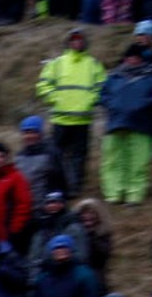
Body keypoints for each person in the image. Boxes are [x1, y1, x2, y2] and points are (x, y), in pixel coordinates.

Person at [37, 27, 103, 193]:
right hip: (61, 119)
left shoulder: (93, 64)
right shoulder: (57, 63)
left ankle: (74, 187)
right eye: (73, 40)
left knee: (79, 157)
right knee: (56, 155)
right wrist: (54, 98)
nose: (76, 42)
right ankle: (55, 186)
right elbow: (42, 85)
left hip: (83, 119)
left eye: (79, 39)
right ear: (68, 42)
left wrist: (90, 101)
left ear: (84, 42)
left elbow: (102, 88)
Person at [98, 46, 152, 205]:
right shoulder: (113, 77)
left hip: (141, 125)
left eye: (135, 57)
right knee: (113, 161)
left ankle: (134, 195)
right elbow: (102, 96)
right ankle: (114, 193)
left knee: (138, 162)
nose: (132, 60)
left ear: (141, 59)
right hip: (115, 124)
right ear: (125, 59)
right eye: (129, 57)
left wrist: (142, 105)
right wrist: (112, 105)